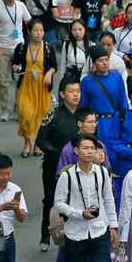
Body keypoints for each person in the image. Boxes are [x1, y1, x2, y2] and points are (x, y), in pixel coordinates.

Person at [54, 134, 119, 262]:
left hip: (99, 229)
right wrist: (79, 214)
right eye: (86, 148)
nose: (91, 152)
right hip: (76, 232)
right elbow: (59, 203)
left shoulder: (101, 173)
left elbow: (108, 199)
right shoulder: (68, 175)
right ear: (76, 151)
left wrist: (113, 226)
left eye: (93, 148)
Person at [35, 77, 80, 251]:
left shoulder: (83, 114)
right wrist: (59, 154)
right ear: (62, 94)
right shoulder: (53, 115)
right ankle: (46, 233)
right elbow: (41, 139)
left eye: (78, 91)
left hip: (79, 167)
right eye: (71, 91)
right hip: (54, 166)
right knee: (50, 201)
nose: (75, 95)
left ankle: (73, 236)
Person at [0, 0, 31, 122]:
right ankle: (5, 109)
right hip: (3, 47)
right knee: (3, 81)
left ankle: (18, 108)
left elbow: (29, 22)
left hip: (19, 47)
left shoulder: (21, 5)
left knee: (20, 80)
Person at [12, 19, 56, 158]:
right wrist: (17, 68)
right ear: (30, 31)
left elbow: (54, 65)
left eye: (41, 31)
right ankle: (27, 143)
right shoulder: (22, 47)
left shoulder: (48, 47)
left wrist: (49, 73)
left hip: (42, 85)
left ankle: (37, 144)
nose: (39, 33)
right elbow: (14, 64)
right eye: (36, 30)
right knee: (25, 114)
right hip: (26, 83)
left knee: (41, 116)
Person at [79, 44, 128, 170]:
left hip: (114, 121)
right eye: (101, 61)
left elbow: (123, 102)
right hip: (96, 124)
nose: (105, 63)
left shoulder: (117, 77)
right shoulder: (87, 81)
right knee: (99, 157)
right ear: (94, 63)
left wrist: (124, 122)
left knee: (115, 156)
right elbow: (83, 106)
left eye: (106, 59)